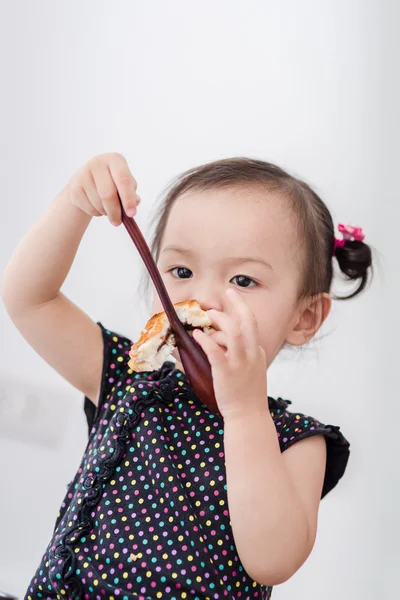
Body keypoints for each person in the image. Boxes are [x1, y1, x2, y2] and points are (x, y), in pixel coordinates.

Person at [1, 153, 372, 600]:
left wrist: (245, 411)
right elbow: (30, 299)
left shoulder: (294, 441)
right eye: (182, 271)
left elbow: (272, 560)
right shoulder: (127, 378)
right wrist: (74, 205)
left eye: (243, 280)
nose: (204, 296)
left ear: (304, 317)